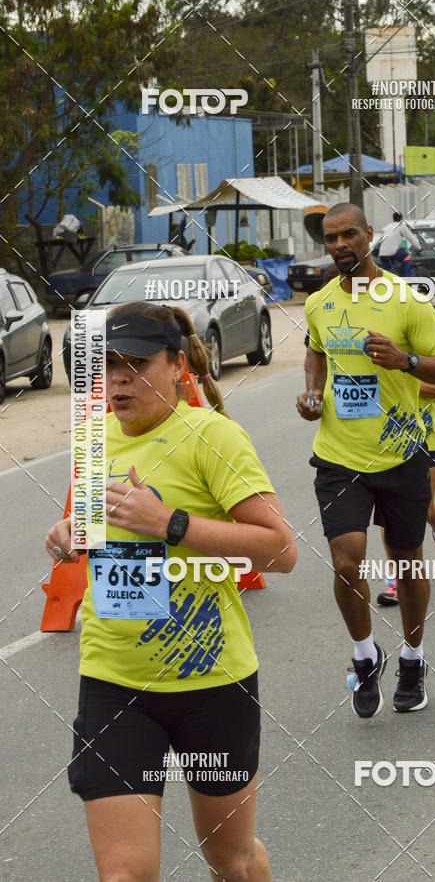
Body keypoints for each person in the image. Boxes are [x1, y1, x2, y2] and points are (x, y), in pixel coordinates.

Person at [46, 301, 297, 882]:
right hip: (115, 683)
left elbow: (280, 550)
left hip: (212, 684)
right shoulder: (93, 439)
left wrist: (170, 524)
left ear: (176, 363)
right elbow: (91, 526)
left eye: (135, 364)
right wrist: (68, 535)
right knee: (125, 876)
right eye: (107, 365)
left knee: (230, 861)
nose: (118, 380)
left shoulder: (213, 438)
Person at [297, 203, 435, 718]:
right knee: (347, 561)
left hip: (401, 454)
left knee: (407, 559)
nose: (341, 244)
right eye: (331, 238)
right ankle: (365, 655)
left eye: (350, 234)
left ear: (370, 235)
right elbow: (316, 351)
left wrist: (406, 361)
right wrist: (312, 393)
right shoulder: (319, 304)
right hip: (339, 457)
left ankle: (413, 658)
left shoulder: (405, 299)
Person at [377, 305, 435, 607]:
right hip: (392, 436)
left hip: (426, 435)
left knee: (423, 508)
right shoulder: (385, 346)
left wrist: (404, 378)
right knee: (390, 511)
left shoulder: (425, 352)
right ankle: (397, 578)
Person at [378, 211, 422, 277]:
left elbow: (389, 240)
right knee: (406, 256)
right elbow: (411, 237)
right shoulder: (401, 226)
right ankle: (407, 280)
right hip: (392, 252)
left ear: (393, 219)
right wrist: (419, 248)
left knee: (387, 273)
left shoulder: (387, 227)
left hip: (382, 253)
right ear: (401, 218)